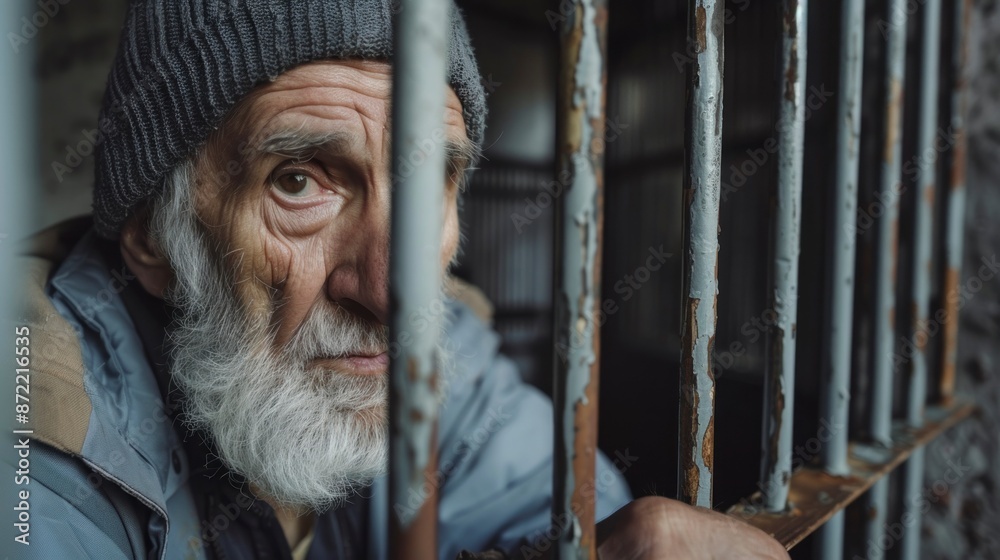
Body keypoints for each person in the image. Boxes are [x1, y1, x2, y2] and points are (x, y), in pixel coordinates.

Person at [14, 0, 790, 558]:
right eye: (297, 183)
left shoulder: (418, 357)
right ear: (153, 234)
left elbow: (550, 513)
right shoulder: (36, 456)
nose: (393, 292)